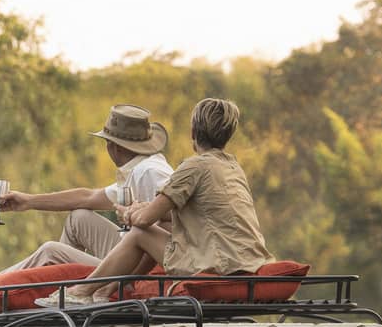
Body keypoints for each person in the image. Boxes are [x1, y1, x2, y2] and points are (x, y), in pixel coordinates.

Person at [46, 97, 273, 305]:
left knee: (139, 233)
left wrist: (129, 213)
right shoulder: (232, 167)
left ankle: (80, 292)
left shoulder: (194, 166)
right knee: (145, 231)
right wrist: (145, 209)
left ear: (193, 132)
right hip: (246, 260)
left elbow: (145, 220)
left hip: (216, 263)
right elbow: (192, 212)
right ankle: (105, 292)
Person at [0, 104, 173, 292]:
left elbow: (175, 217)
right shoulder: (138, 169)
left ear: (113, 146)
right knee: (78, 218)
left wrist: (133, 267)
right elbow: (87, 197)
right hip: (132, 251)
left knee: (49, 251)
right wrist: (29, 201)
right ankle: (58, 289)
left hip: (140, 266)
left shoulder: (150, 172)